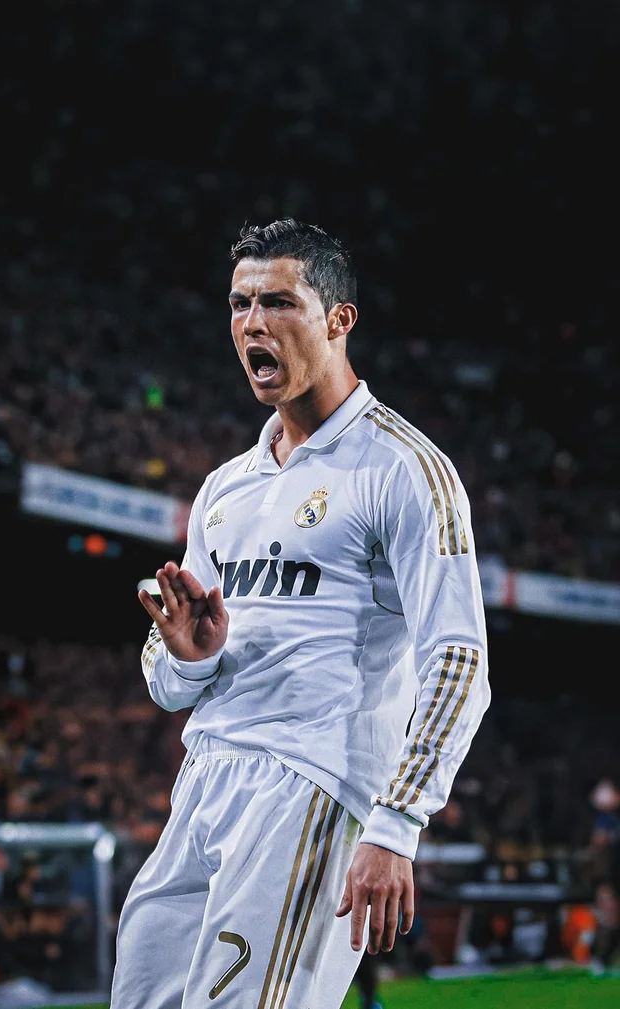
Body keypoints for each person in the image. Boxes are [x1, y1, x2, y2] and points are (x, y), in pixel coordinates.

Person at [110, 218, 491, 1009]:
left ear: (338, 319)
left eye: (278, 302)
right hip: (205, 778)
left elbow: (458, 660)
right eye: (239, 303)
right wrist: (187, 654)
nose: (253, 322)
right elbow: (166, 681)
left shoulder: (403, 469)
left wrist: (397, 822)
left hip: (312, 785)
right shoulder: (225, 488)